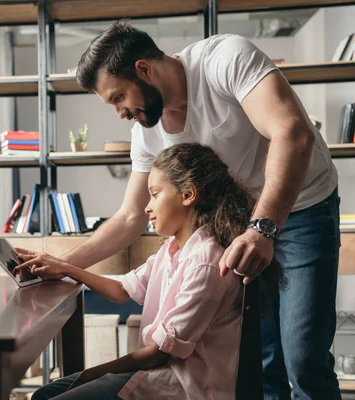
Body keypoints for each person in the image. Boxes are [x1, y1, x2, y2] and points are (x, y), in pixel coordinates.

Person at [55, 20, 341, 399]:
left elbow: (292, 131)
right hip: (242, 226)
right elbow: (129, 216)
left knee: (304, 361)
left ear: (143, 69)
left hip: (302, 207)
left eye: (118, 97)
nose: (120, 113)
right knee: (260, 364)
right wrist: (62, 267)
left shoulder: (224, 59)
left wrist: (263, 228)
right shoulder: (147, 131)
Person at [15, 143, 283, 400]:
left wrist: (90, 374)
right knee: (45, 393)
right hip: (158, 372)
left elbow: (157, 354)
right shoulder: (173, 249)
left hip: (185, 386)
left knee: (55, 395)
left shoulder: (206, 262)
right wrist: (64, 267)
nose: (147, 207)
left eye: (155, 194)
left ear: (188, 195)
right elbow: (122, 290)